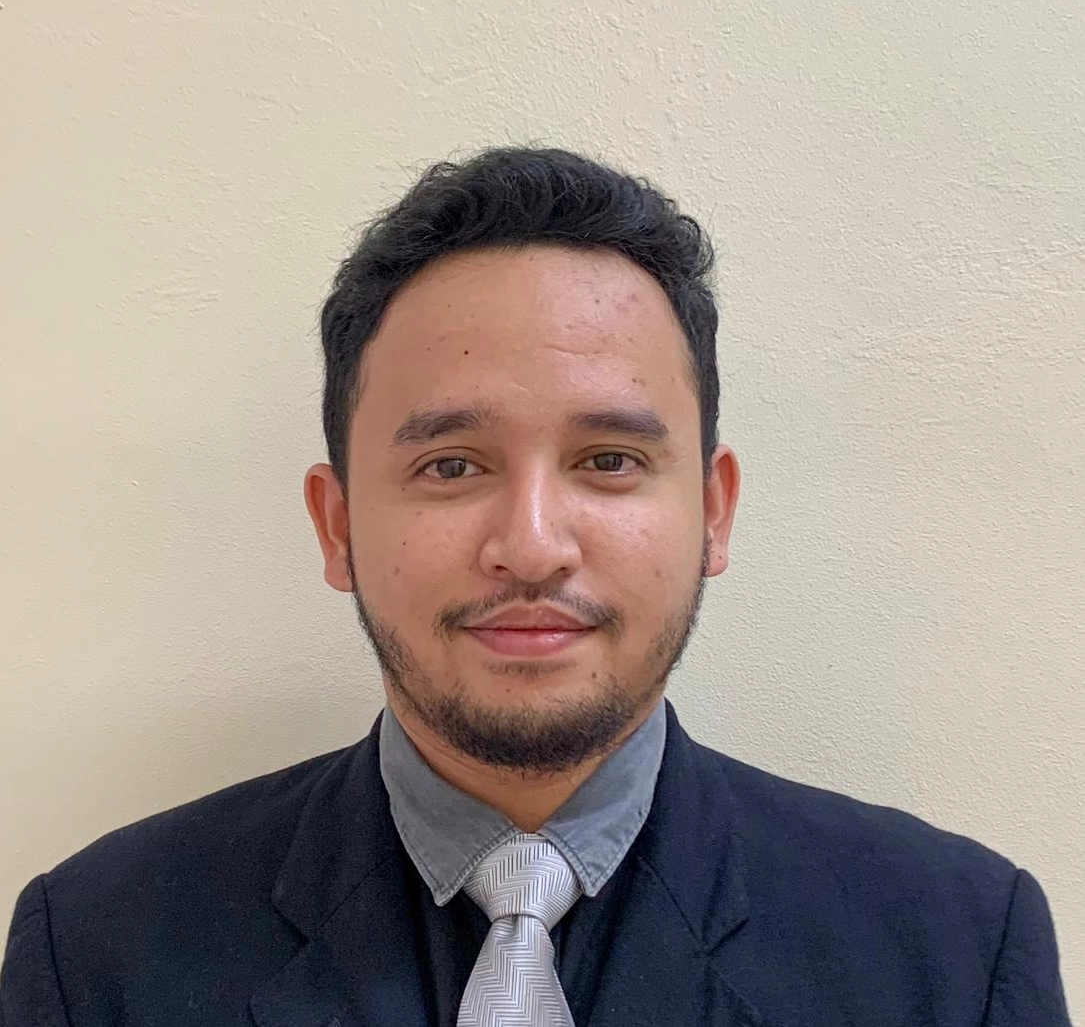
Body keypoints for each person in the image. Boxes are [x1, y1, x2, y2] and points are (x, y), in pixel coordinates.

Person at [0, 148, 1071, 1027]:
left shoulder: (954, 949)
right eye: (450, 465)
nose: (531, 545)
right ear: (337, 526)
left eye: (608, 459)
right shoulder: (95, 947)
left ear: (713, 512)